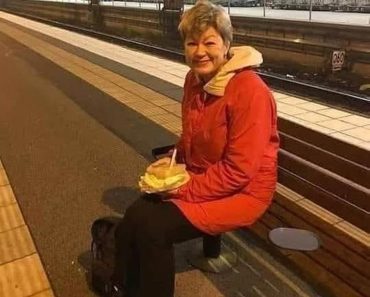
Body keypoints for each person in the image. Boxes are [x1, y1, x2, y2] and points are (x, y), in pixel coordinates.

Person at [108, 1, 279, 296]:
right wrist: (172, 160)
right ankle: (122, 285)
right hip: (203, 176)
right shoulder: (195, 79)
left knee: (153, 229)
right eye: (192, 43)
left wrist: (179, 188)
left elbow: (239, 171)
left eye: (209, 42)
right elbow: (193, 134)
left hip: (244, 191)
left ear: (226, 45)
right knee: (136, 214)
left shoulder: (250, 91)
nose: (200, 51)